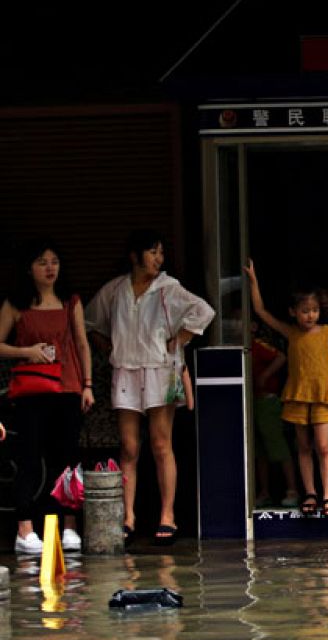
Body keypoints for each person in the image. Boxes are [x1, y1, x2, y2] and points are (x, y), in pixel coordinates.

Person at [86, 230, 214, 545]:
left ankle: (167, 515)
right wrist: (110, 348)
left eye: (160, 252)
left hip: (161, 370)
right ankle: (127, 517)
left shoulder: (168, 288)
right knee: (129, 447)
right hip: (126, 370)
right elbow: (90, 322)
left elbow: (204, 311)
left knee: (160, 444)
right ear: (135, 256)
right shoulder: (115, 290)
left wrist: (179, 339)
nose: (158, 258)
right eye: (152, 252)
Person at [244, 260, 328, 518]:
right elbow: (261, 310)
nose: (310, 315)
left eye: (313, 310)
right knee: (303, 447)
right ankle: (310, 493)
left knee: (323, 447)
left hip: (322, 396)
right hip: (298, 395)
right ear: (293, 312)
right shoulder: (290, 332)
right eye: (305, 311)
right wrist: (253, 281)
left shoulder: (327, 331)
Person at [0, 242, 94, 554]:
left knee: (67, 460)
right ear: (29, 268)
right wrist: (26, 352)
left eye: (54, 261)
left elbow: (82, 344)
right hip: (31, 391)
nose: (50, 268)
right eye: (42, 262)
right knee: (28, 459)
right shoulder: (15, 304)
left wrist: (88, 385)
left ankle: (69, 526)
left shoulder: (71, 302)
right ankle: (24, 529)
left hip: (68, 389)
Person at [249, 320, 300, 509]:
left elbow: (281, 357)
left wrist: (264, 376)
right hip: (252, 401)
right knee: (259, 450)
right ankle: (264, 492)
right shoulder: (244, 346)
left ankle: (292, 489)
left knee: (277, 446)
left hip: (267, 401)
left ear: (253, 326)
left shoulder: (258, 345)